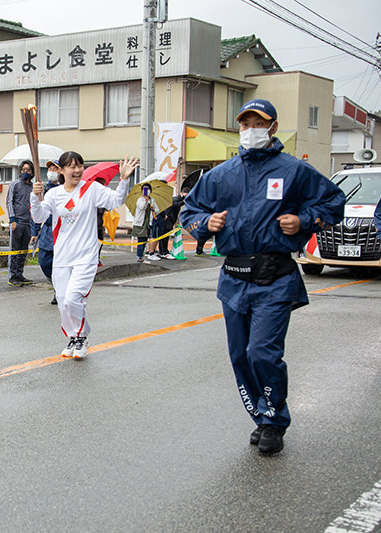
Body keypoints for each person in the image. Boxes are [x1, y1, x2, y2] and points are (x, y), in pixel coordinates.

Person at [179, 98, 345, 455]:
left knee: (262, 353)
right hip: (234, 277)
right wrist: (205, 223)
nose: (251, 129)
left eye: (259, 122)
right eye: (245, 123)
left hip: (276, 276)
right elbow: (190, 210)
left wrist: (302, 221)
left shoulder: (293, 171)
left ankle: (274, 420)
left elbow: (333, 202)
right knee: (240, 354)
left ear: (272, 127)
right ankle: (262, 415)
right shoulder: (222, 174)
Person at [31, 152, 138, 359]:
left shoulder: (91, 189)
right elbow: (39, 216)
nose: (77, 170)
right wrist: (35, 198)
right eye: (71, 166)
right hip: (62, 257)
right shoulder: (54, 194)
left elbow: (116, 200)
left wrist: (124, 179)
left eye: (79, 165)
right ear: (61, 170)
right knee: (63, 302)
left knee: (73, 298)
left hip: (85, 256)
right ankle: (73, 337)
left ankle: (80, 337)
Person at [32, 160, 61, 304]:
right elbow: (36, 211)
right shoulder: (44, 189)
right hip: (47, 230)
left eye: (54, 168)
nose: (51, 171)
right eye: (49, 168)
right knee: (44, 261)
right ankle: (56, 282)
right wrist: (34, 232)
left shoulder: (65, 190)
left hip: (61, 230)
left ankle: (59, 290)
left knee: (60, 263)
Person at [7, 159, 35, 286]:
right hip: (17, 222)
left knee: (23, 250)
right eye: (23, 169)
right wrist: (12, 219)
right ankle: (13, 276)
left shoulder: (34, 187)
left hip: (28, 223)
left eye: (28, 170)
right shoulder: (15, 184)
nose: (25, 172)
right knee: (14, 250)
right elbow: (9, 202)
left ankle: (20, 274)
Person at [132, 182, 160, 263]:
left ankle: (141, 256)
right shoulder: (140, 199)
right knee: (141, 240)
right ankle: (139, 257)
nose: (146, 191)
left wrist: (153, 207)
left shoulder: (152, 200)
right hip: (140, 223)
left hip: (148, 223)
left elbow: (157, 211)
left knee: (145, 240)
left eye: (148, 189)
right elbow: (141, 207)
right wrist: (145, 200)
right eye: (145, 189)